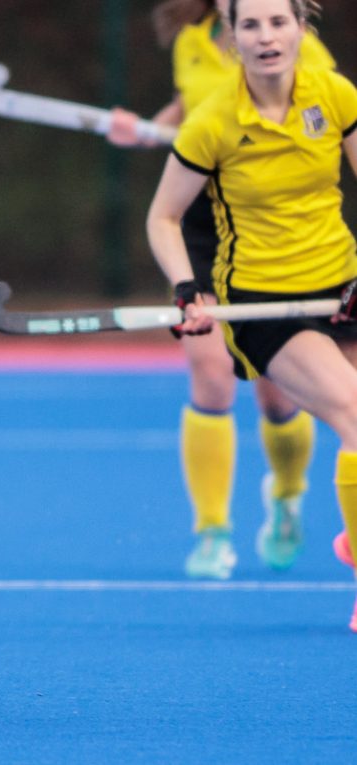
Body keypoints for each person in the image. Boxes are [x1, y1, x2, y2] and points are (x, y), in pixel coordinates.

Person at [145, 0, 357, 629]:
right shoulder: (213, 122)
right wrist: (187, 288)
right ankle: (217, 530)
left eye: (278, 22)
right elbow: (162, 217)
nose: (266, 37)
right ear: (231, 36)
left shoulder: (336, 95)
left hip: (340, 285)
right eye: (251, 25)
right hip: (267, 304)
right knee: (354, 410)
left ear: (301, 27)